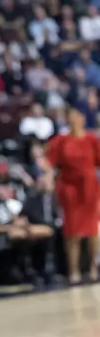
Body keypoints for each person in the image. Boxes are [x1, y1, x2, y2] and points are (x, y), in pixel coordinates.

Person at [47, 107, 100, 283]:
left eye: (75, 117)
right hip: (70, 190)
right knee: (72, 233)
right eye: (69, 118)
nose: (73, 121)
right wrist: (48, 178)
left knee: (93, 231)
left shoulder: (92, 140)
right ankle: (74, 270)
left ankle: (92, 267)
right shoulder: (60, 141)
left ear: (82, 119)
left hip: (90, 189)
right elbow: (49, 163)